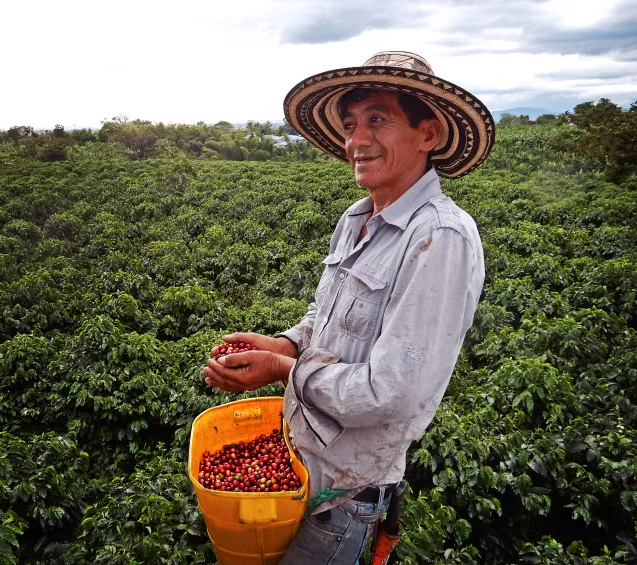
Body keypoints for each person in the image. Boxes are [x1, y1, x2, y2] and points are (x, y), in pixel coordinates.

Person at [203, 51, 495, 564]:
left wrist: (281, 369)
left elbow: (390, 393)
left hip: (343, 496)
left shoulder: (440, 237)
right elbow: (326, 316)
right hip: (303, 462)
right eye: (350, 124)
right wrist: (285, 343)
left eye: (378, 119)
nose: (356, 140)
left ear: (428, 134)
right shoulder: (355, 219)